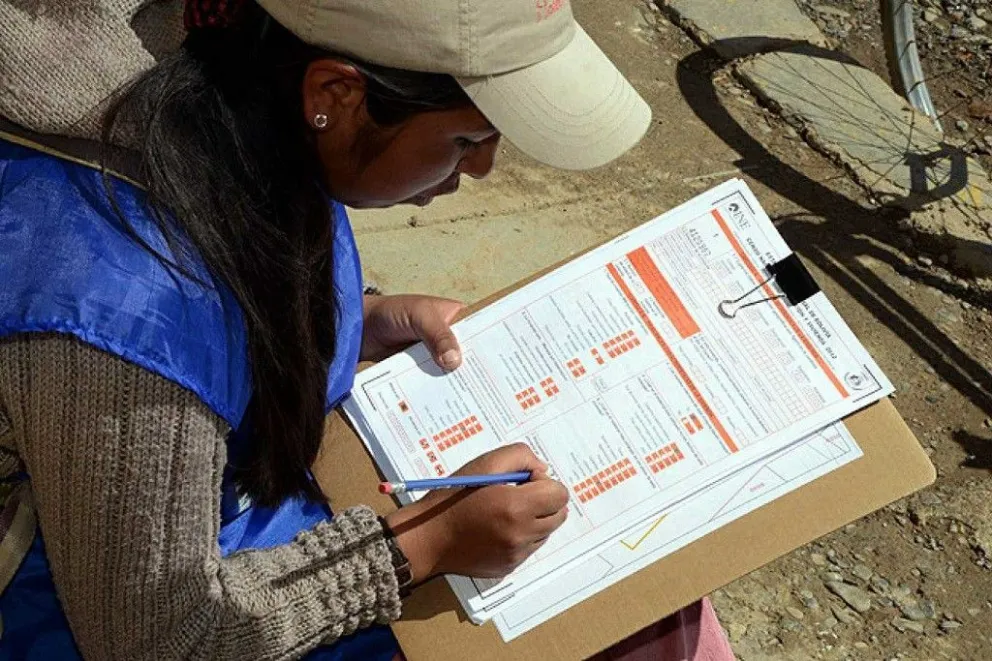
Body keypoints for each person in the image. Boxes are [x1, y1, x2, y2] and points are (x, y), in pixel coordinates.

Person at [0, 0, 735, 659]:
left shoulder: (241, 93)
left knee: (660, 614)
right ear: (336, 95)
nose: (483, 168)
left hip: (204, 508)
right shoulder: (124, 308)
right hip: (92, 605)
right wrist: (427, 541)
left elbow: (253, 257)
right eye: (465, 140)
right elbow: (158, 635)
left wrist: (352, 316)